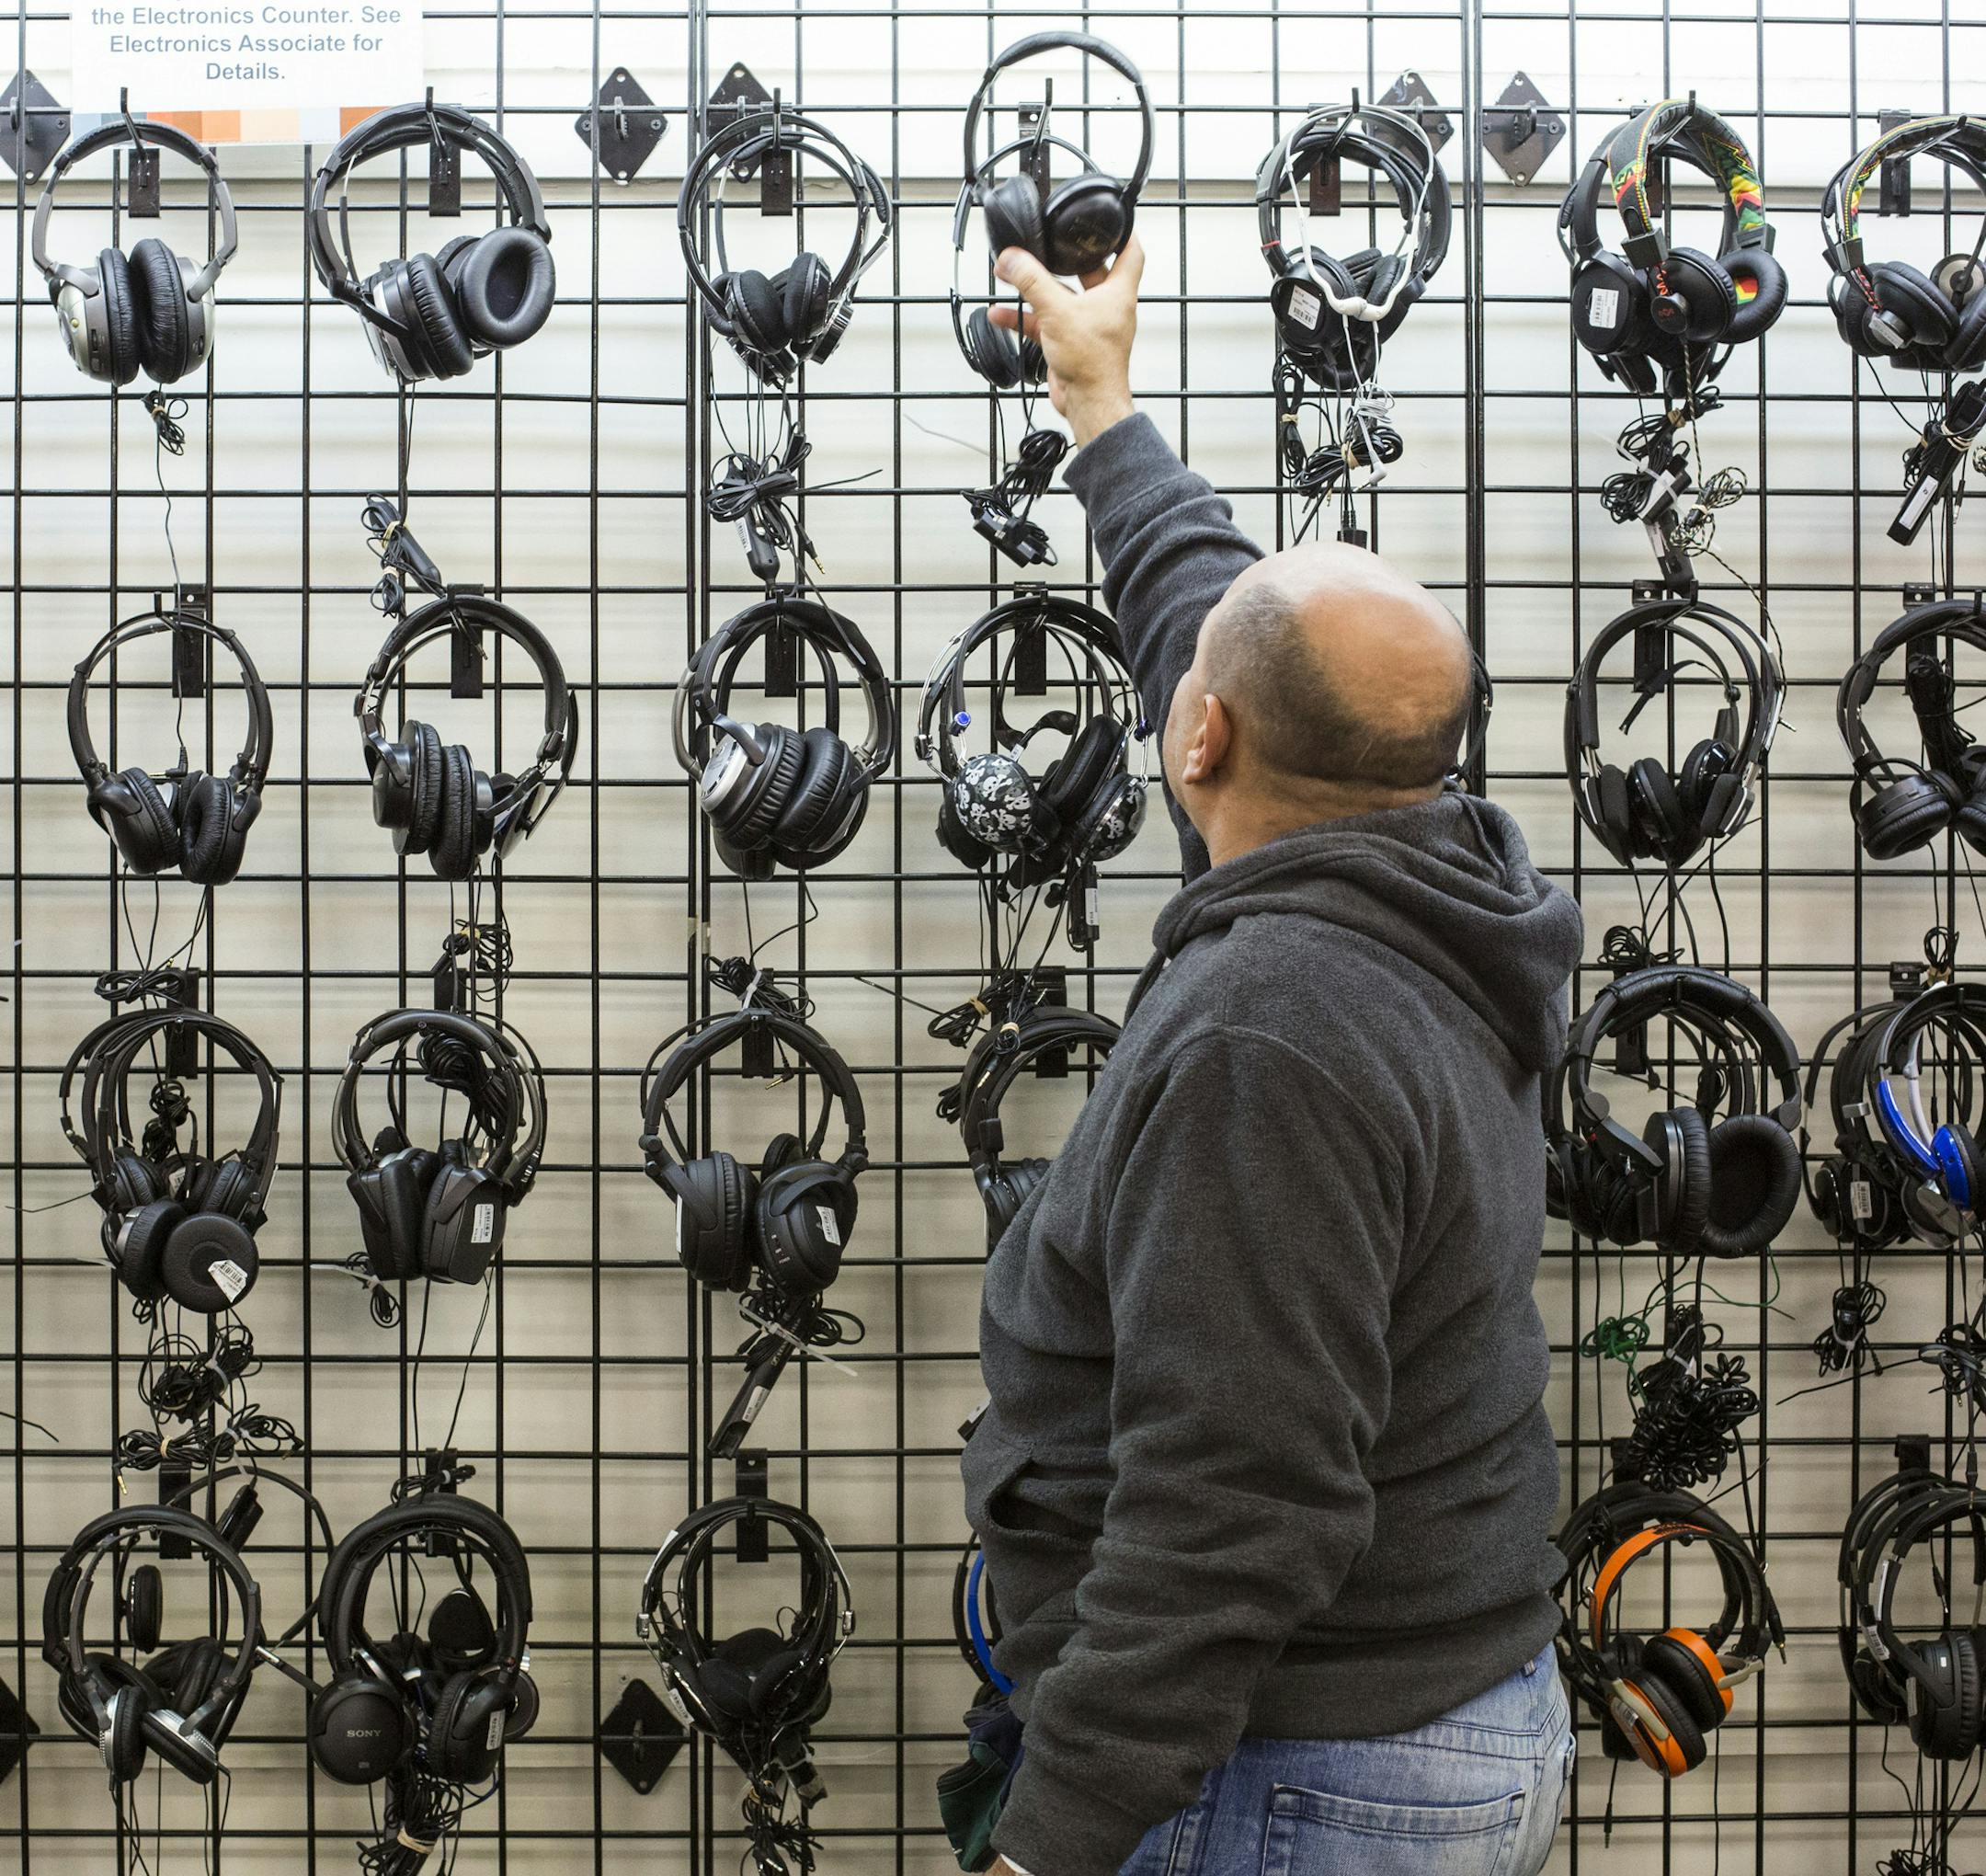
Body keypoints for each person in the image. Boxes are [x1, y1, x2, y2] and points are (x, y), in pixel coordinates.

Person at [961, 234, 1584, 1876]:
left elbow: (1236, 1512)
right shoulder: (1414, 869)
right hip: (1417, 1722)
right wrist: (1098, 398)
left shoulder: (1271, 1033)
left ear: (1199, 742)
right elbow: (1204, 596)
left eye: (1199, 690)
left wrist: (1059, 1834)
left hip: (1297, 1776)